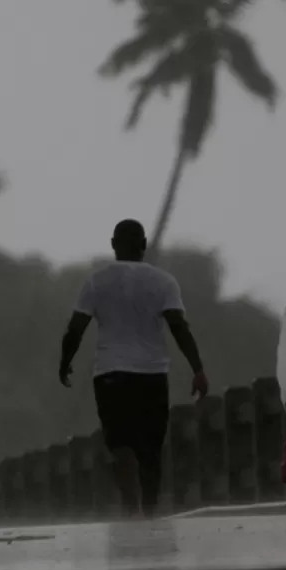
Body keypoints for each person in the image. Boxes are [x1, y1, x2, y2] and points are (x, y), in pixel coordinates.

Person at [59, 219, 208, 518]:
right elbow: (179, 327)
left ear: (113, 244)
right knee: (151, 446)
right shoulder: (164, 281)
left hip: (110, 375)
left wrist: (65, 361)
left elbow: (76, 328)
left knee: (120, 443)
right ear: (143, 245)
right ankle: (150, 510)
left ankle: (130, 506)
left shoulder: (96, 281)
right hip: (152, 374)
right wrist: (198, 369)